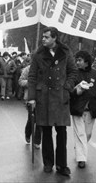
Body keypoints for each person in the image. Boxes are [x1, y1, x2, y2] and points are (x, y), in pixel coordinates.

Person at [27, 27, 77, 176]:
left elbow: (73, 72)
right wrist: (31, 98)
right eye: (43, 37)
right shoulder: (38, 54)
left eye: (47, 37)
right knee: (46, 132)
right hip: (44, 98)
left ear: (55, 38)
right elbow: (32, 76)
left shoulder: (66, 52)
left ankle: (62, 165)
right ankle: (48, 163)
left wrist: (67, 87)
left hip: (61, 97)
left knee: (61, 133)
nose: (43, 39)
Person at [70, 50, 96, 168]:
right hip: (77, 108)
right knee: (80, 134)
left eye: (79, 60)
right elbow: (69, 90)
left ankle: (80, 148)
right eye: (77, 60)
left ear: (86, 62)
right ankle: (81, 159)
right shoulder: (74, 74)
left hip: (92, 108)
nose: (77, 62)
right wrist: (76, 91)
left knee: (87, 134)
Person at [19, 59, 42, 148]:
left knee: (40, 121)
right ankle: (28, 134)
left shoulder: (45, 69)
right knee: (32, 119)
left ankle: (37, 141)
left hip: (42, 98)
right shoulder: (27, 69)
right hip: (30, 98)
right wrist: (30, 83)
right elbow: (21, 81)